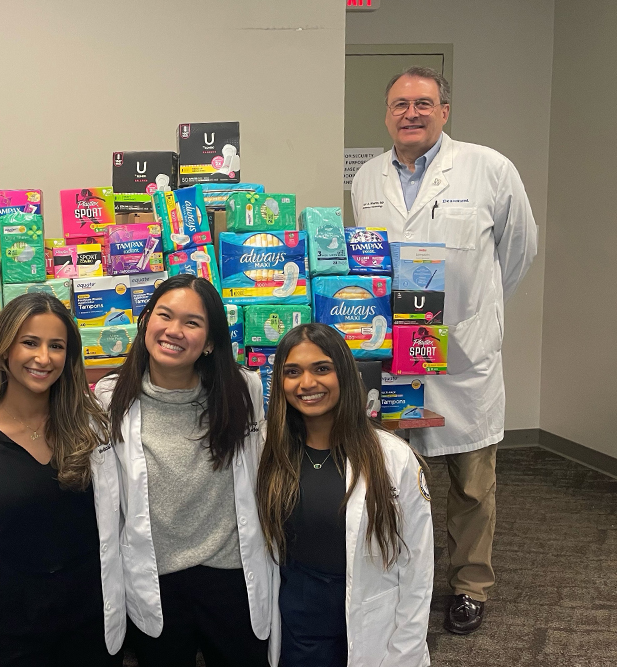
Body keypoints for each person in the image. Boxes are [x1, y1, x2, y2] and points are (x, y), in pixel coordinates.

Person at [350, 65, 537, 634]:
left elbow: (518, 252)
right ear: (386, 112)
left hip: (462, 358)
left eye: (424, 103)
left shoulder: (488, 168)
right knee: (393, 475)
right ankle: (401, 575)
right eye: (401, 103)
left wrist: (474, 315)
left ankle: (470, 585)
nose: (412, 112)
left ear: (444, 111)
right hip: (394, 359)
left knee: (472, 482)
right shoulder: (367, 179)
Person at [95, 274, 278, 667]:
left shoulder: (242, 390)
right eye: (165, 315)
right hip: (156, 578)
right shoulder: (110, 397)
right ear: (146, 321)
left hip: (231, 574)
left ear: (210, 342)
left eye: (192, 323)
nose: (173, 330)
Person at [0, 293, 124, 666]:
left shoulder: (93, 428)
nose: (44, 358)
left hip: (88, 620)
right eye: (30, 342)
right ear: (4, 350)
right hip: (12, 628)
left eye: (56, 346)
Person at [256, 323, 433, 666]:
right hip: (299, 624)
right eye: (292, 372)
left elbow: (418, 565)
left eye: (322, 368)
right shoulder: (268, 451)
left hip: (373, 622)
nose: (307, 383)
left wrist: (407, 650)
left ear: (345, 375)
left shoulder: (392, 456)